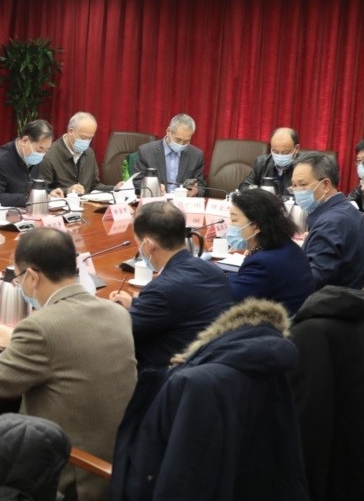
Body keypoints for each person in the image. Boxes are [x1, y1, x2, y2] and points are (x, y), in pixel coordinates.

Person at [0, 228, 136, 501]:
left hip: (73, 478)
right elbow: (69, 343)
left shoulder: (40, 327)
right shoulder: (116, 313)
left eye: (18, 279)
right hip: (122, 465)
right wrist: (18, 341)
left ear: (32, 276)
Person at [109, 201, 232, 370]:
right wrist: (135, 303)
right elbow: (181, 305)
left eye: (138, 244)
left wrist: (107, 310)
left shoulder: (162, 289)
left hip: (169, 376)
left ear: (149, 245)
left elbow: (119, 333)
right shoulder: (213, 271)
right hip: (212, 365)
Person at [225, 188, 315, 314]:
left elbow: (229, 301)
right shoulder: (287, 246)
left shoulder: (262, 263)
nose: (230, 224)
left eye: (234, 220)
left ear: (256, 226)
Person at [290, 152, 364, 289]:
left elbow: (313, 279)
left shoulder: (330, 223)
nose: (297, 191)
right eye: (294, 186)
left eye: (302, 185)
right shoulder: (345, 208)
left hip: (329, 299)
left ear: (326, 184)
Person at [0, 120, 55, 207]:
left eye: (46, 150)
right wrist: (27, 199)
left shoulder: (34, 158)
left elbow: (34, 187)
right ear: (25, 141)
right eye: (40, 149)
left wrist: (49, 192)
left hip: (27, 210)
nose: (42, 154)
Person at [36, 112, 110, 195]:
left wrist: (115, 188)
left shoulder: (89, 152)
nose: (86, 142)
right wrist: (67, 191)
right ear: (71, 131)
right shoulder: (49, 155)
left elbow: (94, 185)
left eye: (90, 138)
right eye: (83, 137)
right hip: (61, 202)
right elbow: (41, 190)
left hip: (87, 202)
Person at [133, 114, 205, 195]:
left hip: (183, 201)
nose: (181, 144)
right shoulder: (146, 152)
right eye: (178, 139)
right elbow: (136, 182)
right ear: (168, 131)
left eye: (186, 141)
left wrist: (195, 191)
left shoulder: (196, 155)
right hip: (156, 201)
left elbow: (201, 186)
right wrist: (153, 188)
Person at [238, 127, 301, 197]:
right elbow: (244, 187)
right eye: (275, 151)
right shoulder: (262, 162)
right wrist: (259, 193)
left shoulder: (305, 166)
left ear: (296, 149)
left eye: (285, 152)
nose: (280, 156)